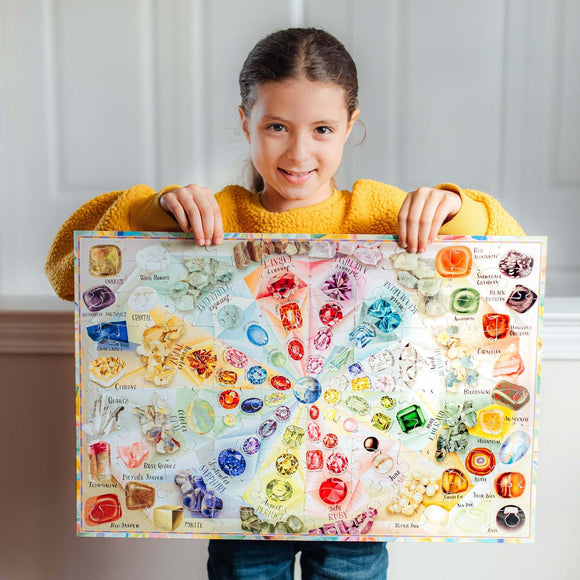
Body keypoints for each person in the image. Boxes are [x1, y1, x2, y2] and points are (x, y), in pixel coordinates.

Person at [46, 27, 524, 580]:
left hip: (359, 492)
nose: (299, 152)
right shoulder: (212, 218)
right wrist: (154, 210)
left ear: (351, 126)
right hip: (241, 492)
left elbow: (511, 269)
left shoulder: (377, 214)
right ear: (244, 120)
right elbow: (67, 268)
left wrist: (454, 207)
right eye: (276, 127)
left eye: (322, 129)